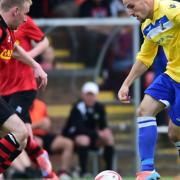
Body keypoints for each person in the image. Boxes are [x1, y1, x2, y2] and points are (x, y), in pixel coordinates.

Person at [118, 0, 180, 179]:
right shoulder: (147, 25)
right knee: (144, 110)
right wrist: (126, 83)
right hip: (172, 75)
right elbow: (145, 57)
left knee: (174, 133)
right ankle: (147, 171)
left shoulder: (171, 10)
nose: (130, 12)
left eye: (131, 6)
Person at [0, 15, 58, 179]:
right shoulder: (5, 25)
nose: (25, 17)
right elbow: (12, 49)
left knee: (17, 132)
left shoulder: (21, 19)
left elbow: (44, 41)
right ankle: (40, 164)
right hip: (3, 87)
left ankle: (31, 171)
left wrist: (30, 58)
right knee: (21, 135)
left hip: (22, 86)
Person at [63, 82, 114, 177]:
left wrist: (105, 131)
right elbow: (79, 129)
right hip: (74, 138)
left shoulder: (100, 107)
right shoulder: (77, 107)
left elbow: (103, 125)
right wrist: (98, 134)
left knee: (109, 138)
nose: (90, 98)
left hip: (93, 137)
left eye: (92, 95)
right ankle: (83, 172)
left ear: (96, 96)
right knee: (84, 139)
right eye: (88, 95)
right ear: (83, 95)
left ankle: (109, 172)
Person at [30, 98, 74, 180]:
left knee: (68, 143)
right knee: (38, 143)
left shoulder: (40, 104)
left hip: (44, 134)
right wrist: (38, 124)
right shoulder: (19, 104)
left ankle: (63, 172)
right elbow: (20, 127)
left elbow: (46, 125)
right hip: (29, 135)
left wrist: (41, 124)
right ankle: (38, 172)